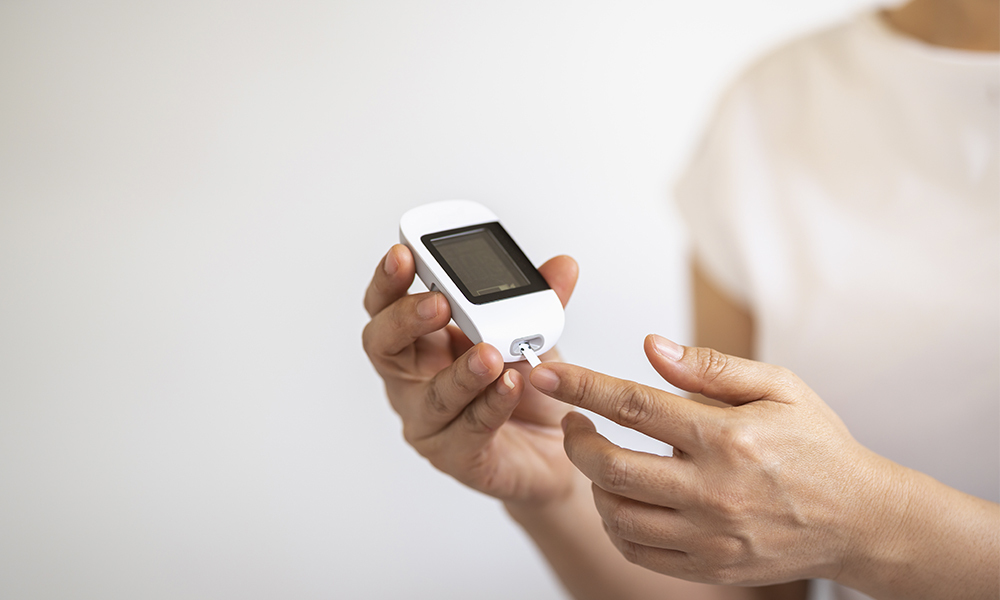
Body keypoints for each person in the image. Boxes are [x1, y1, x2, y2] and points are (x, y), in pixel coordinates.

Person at [361, 0, 999, 598]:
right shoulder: (772, 104)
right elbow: (755, 584)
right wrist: (554, 491)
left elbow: (838, 532)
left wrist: (872, 526)